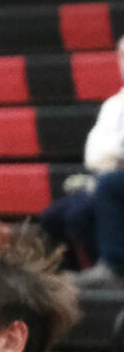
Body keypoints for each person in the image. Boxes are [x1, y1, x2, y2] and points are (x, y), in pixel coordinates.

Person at [46, 34, 124, 284]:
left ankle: (114, 268)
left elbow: (110, 150)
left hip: (113, 181)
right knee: (59, 213)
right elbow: (92, 153)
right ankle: (66, 278)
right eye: (122, 56)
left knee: (108, 186)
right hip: (109, 177)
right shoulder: (114, 104)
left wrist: (112, 153)